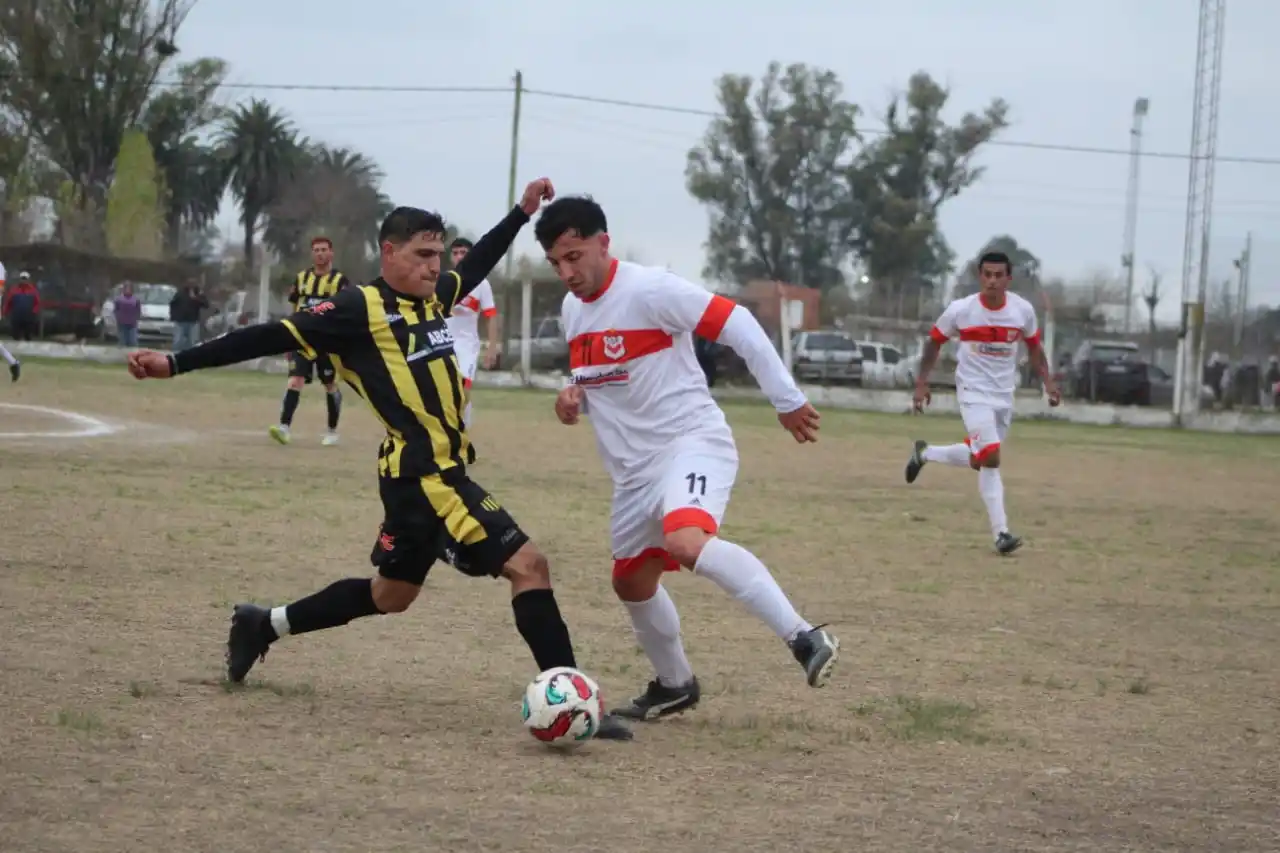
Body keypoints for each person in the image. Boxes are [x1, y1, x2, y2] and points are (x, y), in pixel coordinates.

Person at [125, 179, 633, 742]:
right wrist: (175, 362)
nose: (432, 267)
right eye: (421, 255)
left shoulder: (434, 295)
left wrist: (519, 214)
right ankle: (572, 701)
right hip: (425, 476)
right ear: (388, 253)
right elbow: (267, 335)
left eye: (438, 256)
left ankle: (262, 625)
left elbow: (482, 261)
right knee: (528, 565)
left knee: (390, 595)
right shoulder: (355, 309)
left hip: (418, 476)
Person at [536, 195, 839, 722]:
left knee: (686, 539)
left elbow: (737, 322)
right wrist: (571, 396)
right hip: (634, 476)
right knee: (630, 580)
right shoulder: (571, 311)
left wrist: (787, 400)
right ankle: (675, 684)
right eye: (556, 263)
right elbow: (601, 378)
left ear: (603, 244)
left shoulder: (650, 289)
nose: (567, 272)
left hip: (689, 442)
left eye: (574, 255)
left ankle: (804, 636)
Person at [904, 250, 1061, 555]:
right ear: (980, 276)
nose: (991, 281)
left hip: (1003, 395)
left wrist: (1048, 382)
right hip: (972, 392)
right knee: (991, 455)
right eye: (986, 275)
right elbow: (933, 342)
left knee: (981, 459)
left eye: (998, 275)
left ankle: (926, 453)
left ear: (1008, 278)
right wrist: (921, 383)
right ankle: (1001, 533)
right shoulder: (961, 310)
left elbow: (1035, 349)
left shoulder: (1022, 311)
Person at [270, 238, 352, 447]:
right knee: (295, 380)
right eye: (316, 250)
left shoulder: (340, 281)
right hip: (303, 340)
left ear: (331, 253)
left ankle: (332, 431)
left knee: (330, 384)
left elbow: (346, 311)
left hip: (327, 342)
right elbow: (295, 308)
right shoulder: (301, 279)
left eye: (324, 250)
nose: (320, 254)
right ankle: (284, 427)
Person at [443, 237, 500, 426]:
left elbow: (491, 316)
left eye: (464, 253)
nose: (459, 257)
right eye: (456, 253)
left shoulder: (481, 284)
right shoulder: (443, 281)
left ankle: (462, 432)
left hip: (467, 346)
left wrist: (492, 347)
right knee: (443, 391)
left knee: (463, 389)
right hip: (442, 343)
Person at [169, 281, 208, 351]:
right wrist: (173, 316)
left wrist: (195, 298)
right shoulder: (180, 293)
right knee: (178, 340)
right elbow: (173, 304)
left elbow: (206, 305)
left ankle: (190, 356)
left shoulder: (199, 294)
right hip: (180, 321)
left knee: (192, 341)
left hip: (193, 321)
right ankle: (176, 354)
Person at [3, 271, 40, 341]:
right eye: (22, 278)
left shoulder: (33, 290)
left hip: (29, 316)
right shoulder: (13, 290)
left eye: (25, 279)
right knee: (15, 335)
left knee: (28, 336)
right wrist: (5, 312)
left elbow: (37, 303)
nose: (24, 280)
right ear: (20, 279)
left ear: (28, 280)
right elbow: (8, 302)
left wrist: (34, 312)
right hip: (16, 316)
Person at [113, 282, 142, 348]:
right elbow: (116, 309)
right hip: (122, 323)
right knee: (122, 341)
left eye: (129, 288)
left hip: (132, 323)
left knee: (133, 341)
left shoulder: (136, 299)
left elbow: (138, 310)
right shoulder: (119, 299)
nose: (128, 290)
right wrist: (118, 317)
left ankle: (133, 355)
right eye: (126, 288)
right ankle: (121, 354)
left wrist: (137, 317)